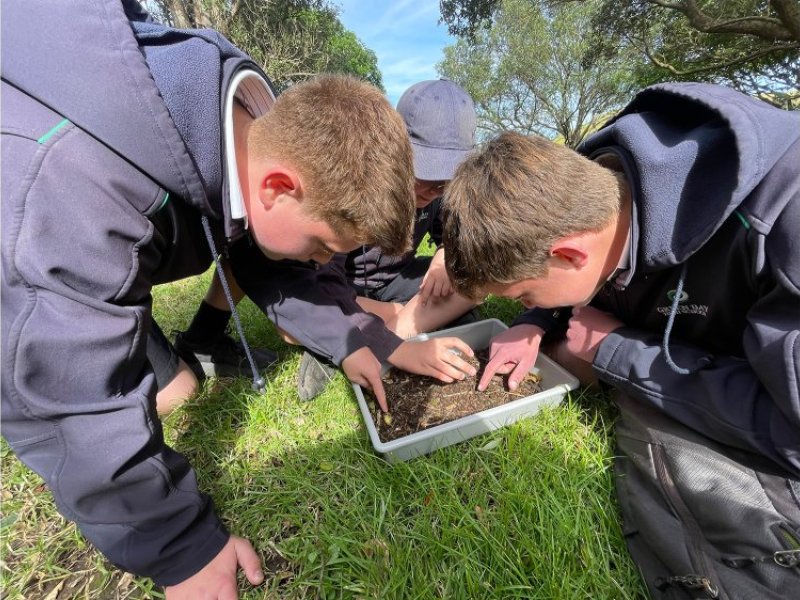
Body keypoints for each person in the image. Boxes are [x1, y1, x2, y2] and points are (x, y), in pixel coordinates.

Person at [1, 1, 476, 597]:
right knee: (155, 398)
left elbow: (265, 253)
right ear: (279, 187)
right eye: (324, 246)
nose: (326, 263)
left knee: (171, 386)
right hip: (28, 256)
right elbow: (66, 389)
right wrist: (182, 549)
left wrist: (365, 338)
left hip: (91, 250)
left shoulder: (251, 132)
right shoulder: (73, 193)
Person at [442, 83, 799, 596]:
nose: (523, 304)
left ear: (567, 255)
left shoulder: (783, 223)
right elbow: (573, 287)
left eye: (521, 295)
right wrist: (533, 324)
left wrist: (615, 350)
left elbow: (793, 434)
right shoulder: (599, 188)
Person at [295, 79, 481, 400]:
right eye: (420, 172)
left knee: (473, 279)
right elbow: (321, 279)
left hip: (396, 280)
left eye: (442, 182)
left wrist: (444, 257)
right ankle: (364, 332)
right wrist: (390, 309)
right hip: (345, 287)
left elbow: (457, 234)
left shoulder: (439, 194)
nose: (429, 191)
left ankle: (396, 328)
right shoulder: (354, 182)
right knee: (309, 311)